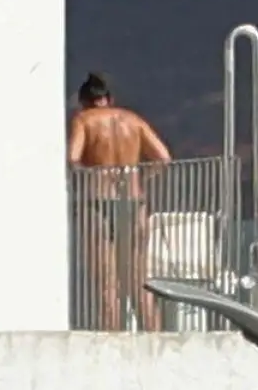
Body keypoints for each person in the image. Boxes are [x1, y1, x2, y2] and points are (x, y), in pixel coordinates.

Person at [67, 72, 172, 332]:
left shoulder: (84, 120)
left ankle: (112, 342)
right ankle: (153, 341)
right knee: (139, 282)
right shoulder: (133, 120)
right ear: (109, 99)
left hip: (98, 202)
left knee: (106, 284)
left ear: (83, 102)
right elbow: (163, 158)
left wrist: (88, 176)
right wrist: (140, 178)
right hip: (133, 201)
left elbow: (73, 158)